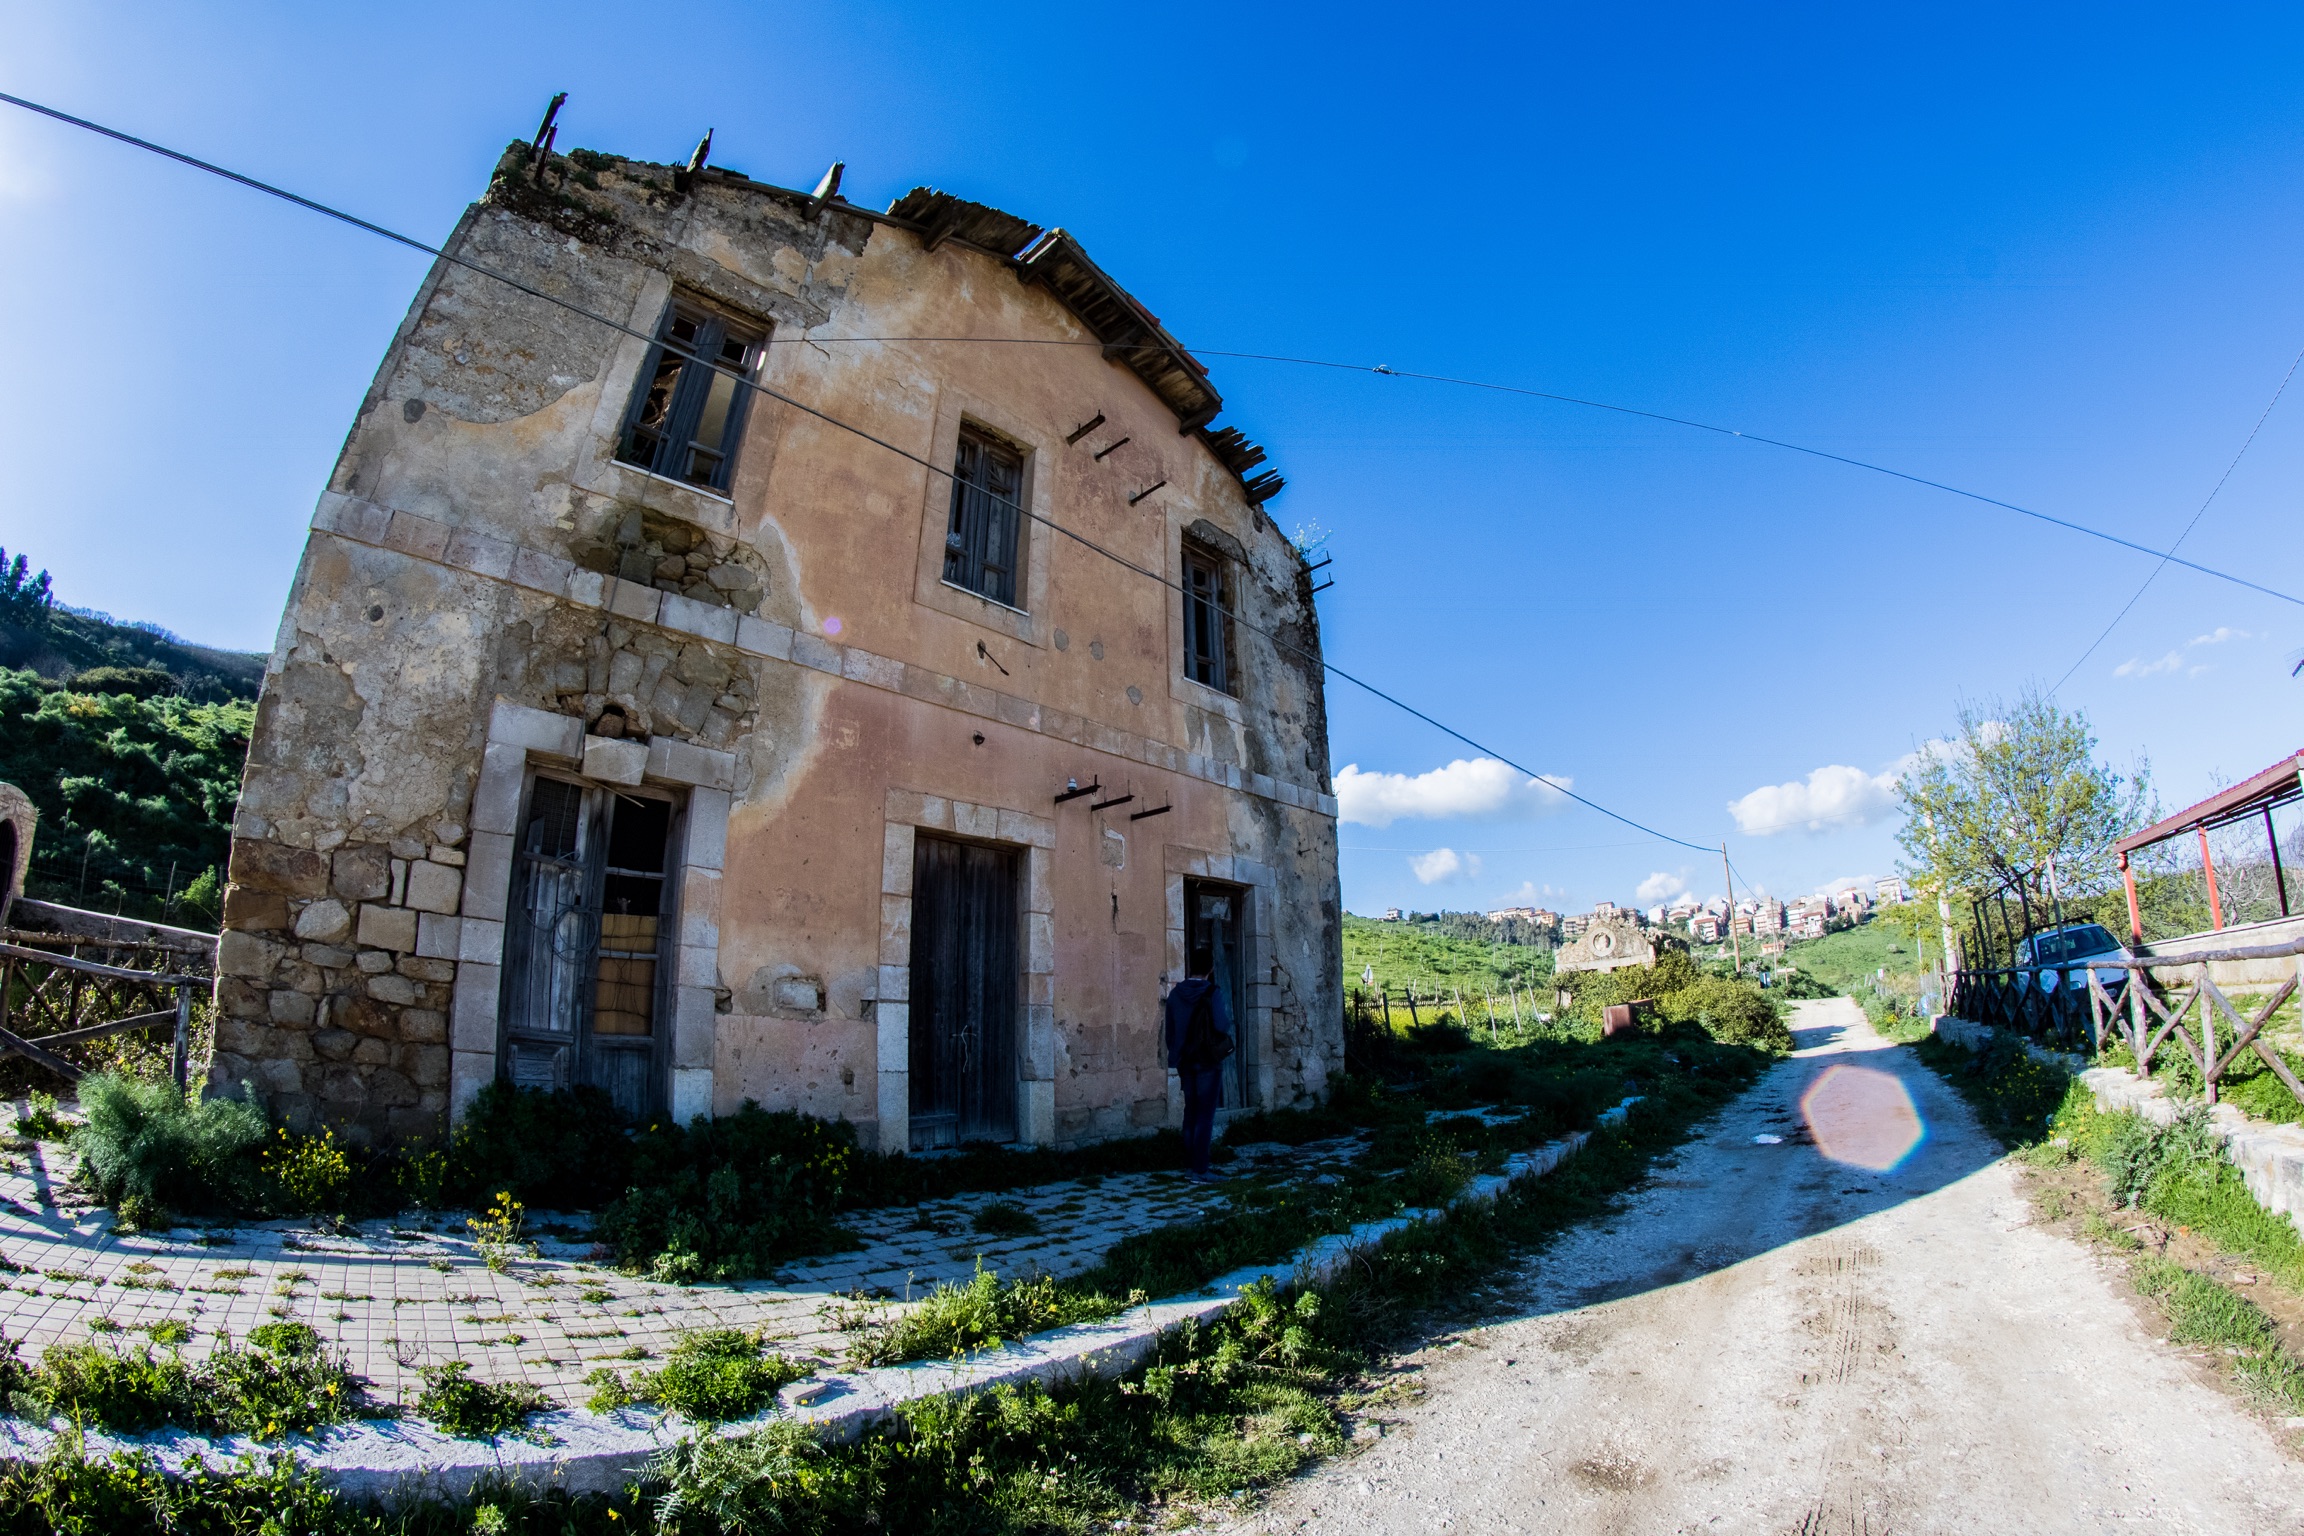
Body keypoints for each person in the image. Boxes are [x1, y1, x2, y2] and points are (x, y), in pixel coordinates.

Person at [1163, 959, 1235, 1182]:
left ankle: (1189, 1167)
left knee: (1191, 1113)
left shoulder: (1175, 994)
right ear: (1210, 969)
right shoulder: (1213, 992)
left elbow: (1169, 1030)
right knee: (1205, 1116)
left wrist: (1176, 1053)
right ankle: (1201, 1170)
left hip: (1185, 1060)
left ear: (1190, 968)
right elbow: (1221, 1025)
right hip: (1207, 1059)